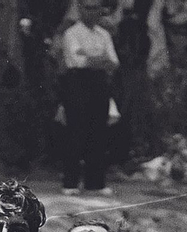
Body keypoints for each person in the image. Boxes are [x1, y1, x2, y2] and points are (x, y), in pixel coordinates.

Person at [57, 0, 120, 196]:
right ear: (80, 9)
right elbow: (77, 60)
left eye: (95, 8)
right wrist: (99, 59)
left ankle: (95, 182)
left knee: (98, 132)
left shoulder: (104, 34)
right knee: (76, 131)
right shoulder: (71, 34)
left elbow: (114, 62)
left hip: (99, 84)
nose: (91, 12)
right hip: (77, 84)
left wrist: (92, 58)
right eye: (87, 7)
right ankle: (70, 182)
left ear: (100, 10)